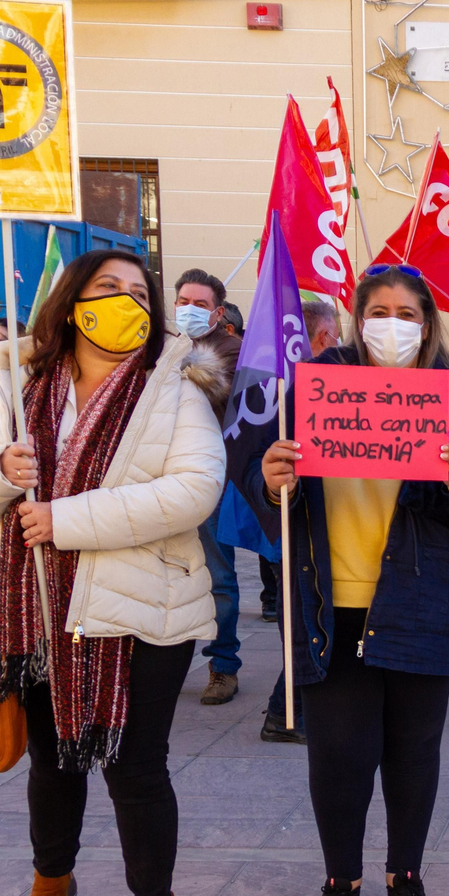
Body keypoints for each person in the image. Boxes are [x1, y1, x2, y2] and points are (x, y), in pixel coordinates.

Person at [0, 249, 226, 896]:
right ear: (73, 303)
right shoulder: (14, 385)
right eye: (110, 289)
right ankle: (51, 884)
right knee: (53, 762)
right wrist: (1, 472)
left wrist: (63, 519)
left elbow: (195, 490)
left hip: (144, 612)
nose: (127, 303)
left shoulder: (175, 388)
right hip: (39, 608)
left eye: (140, 293)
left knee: (135, 769)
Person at [246, 265, 449, 896]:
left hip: (425, 595)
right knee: (339, 754)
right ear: (357, 315)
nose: (392, 324)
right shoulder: (311, 387)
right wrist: (268, 476)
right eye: (380, 310)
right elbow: (261, 476)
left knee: (413, 752)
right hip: (331, 603)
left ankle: (406, 877)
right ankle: (341, 881)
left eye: (407, 313)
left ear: (426, 323)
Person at [256, 298, 343, 744]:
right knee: (306, 625)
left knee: (305, 624)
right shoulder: (291, 393)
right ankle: (284, 715)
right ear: (327, 338)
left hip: (287, 533)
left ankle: (286, 713)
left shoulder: (271, 385)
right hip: (293, 533)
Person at [173, 268, 245, 706]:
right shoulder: (162, 347)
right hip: (164, 475)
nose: (189, 310)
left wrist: (182, 368)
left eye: (199, 304)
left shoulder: (233, 349)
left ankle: (223, 667)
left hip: (211, 478)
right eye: (183, 301)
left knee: (218, 577)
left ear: (218, 312)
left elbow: (225, 394)